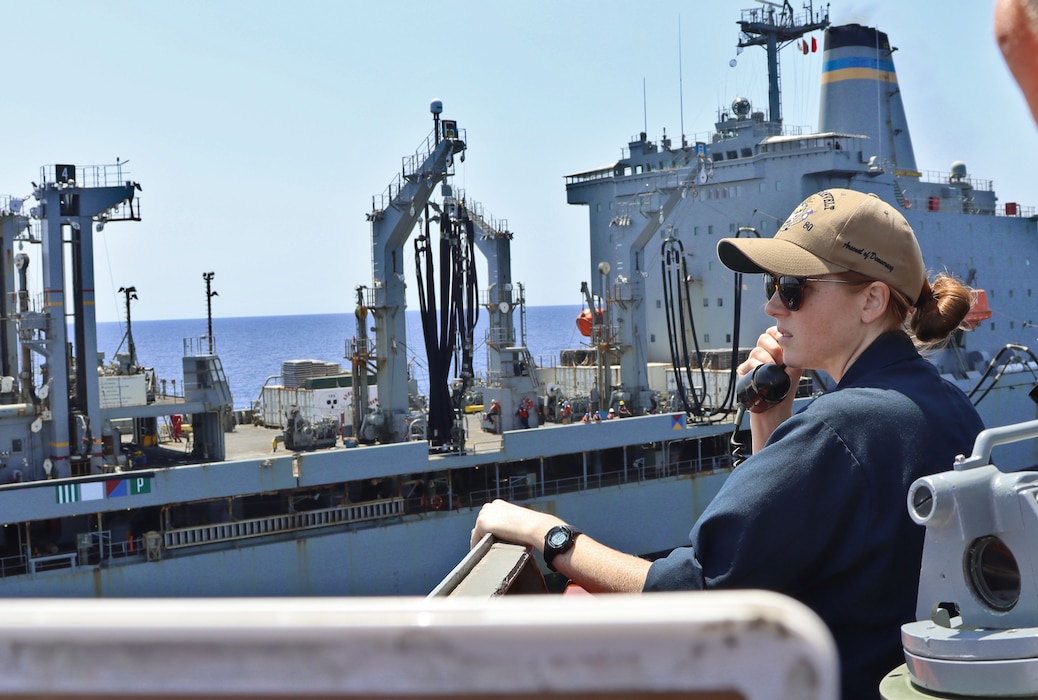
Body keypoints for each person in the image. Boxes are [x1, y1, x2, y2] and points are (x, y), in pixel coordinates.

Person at [471, 189, 983, 700]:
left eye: (794, 288)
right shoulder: (952, 407)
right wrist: (771, 418)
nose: (772, 304)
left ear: (871, 300)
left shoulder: (838, 429)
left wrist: (549, 535)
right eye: (773, 285)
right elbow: (778, 550)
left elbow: (694, 590)